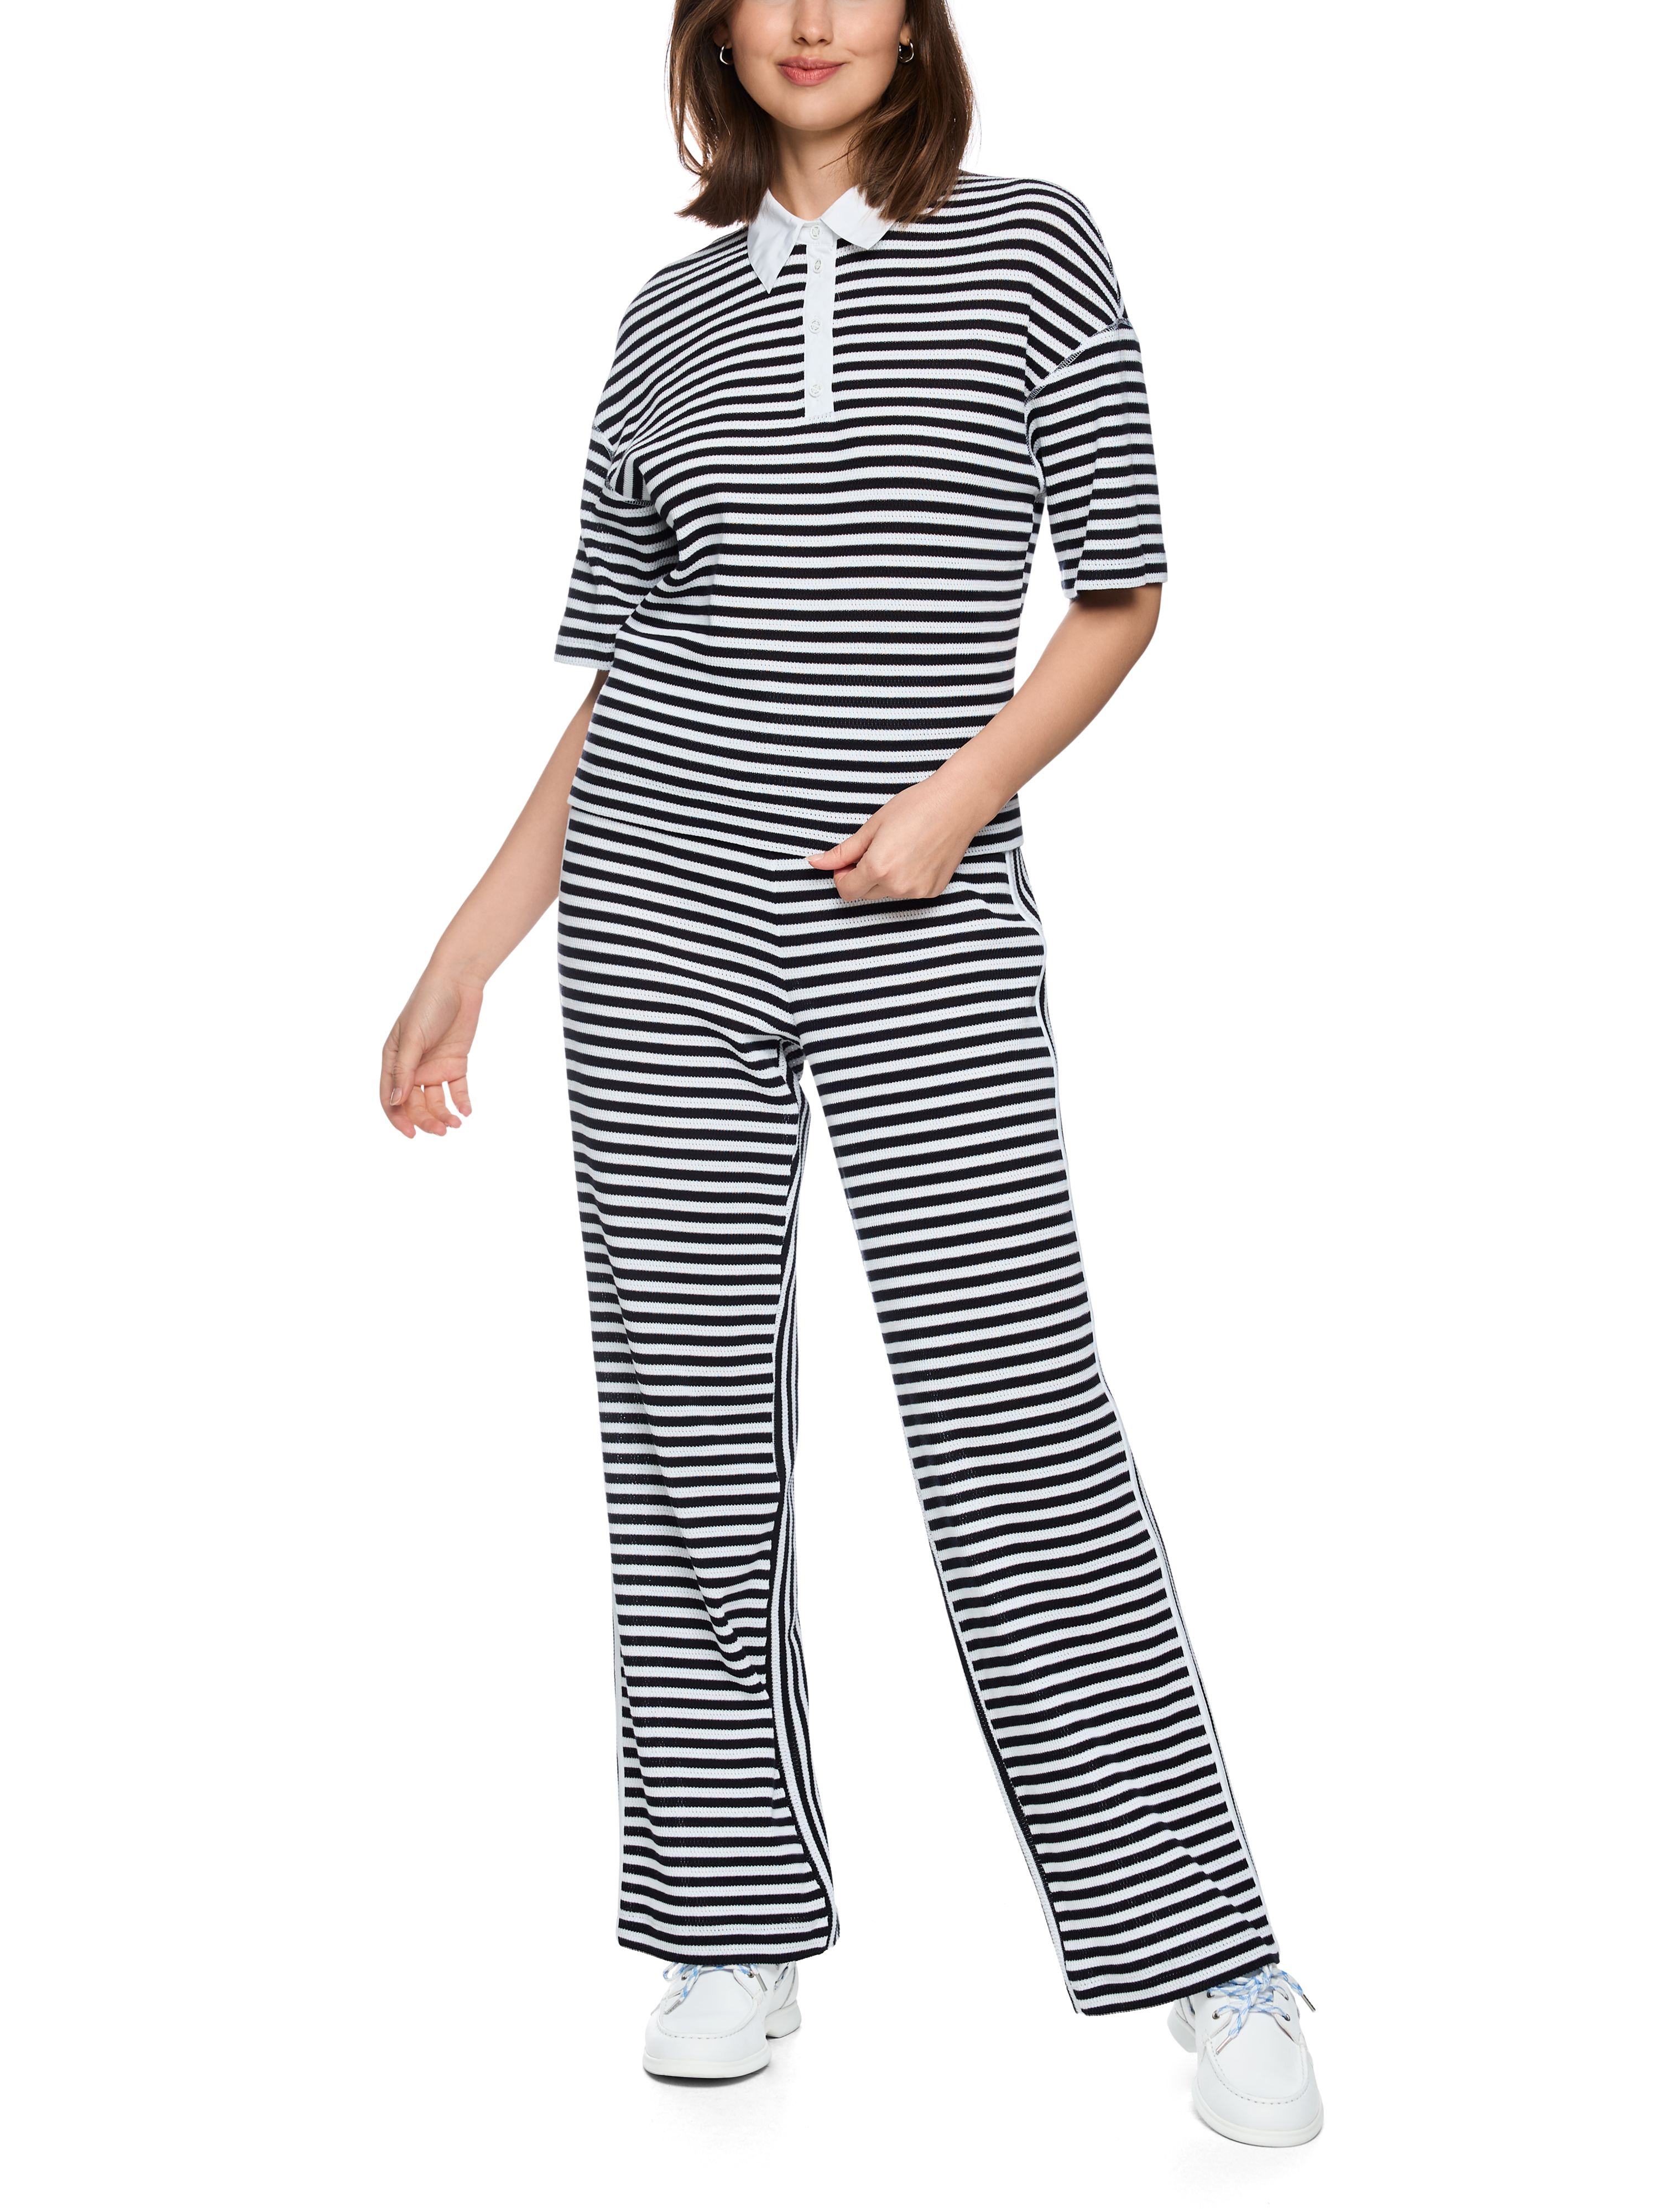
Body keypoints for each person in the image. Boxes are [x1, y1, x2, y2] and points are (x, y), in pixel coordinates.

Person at [379, 0, 1322, 2149]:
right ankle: (725, 1924)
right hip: (656, 912)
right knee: (684, 1427)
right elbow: (632, 674)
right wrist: (471, 943)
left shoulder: (1034, 243)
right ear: (715, 30)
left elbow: (1121, 592)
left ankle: (1210, 1952)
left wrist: (955, 802)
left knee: (1015, 1417)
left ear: (916, 18)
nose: (813, 19)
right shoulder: (663, 316)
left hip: (926, 916)